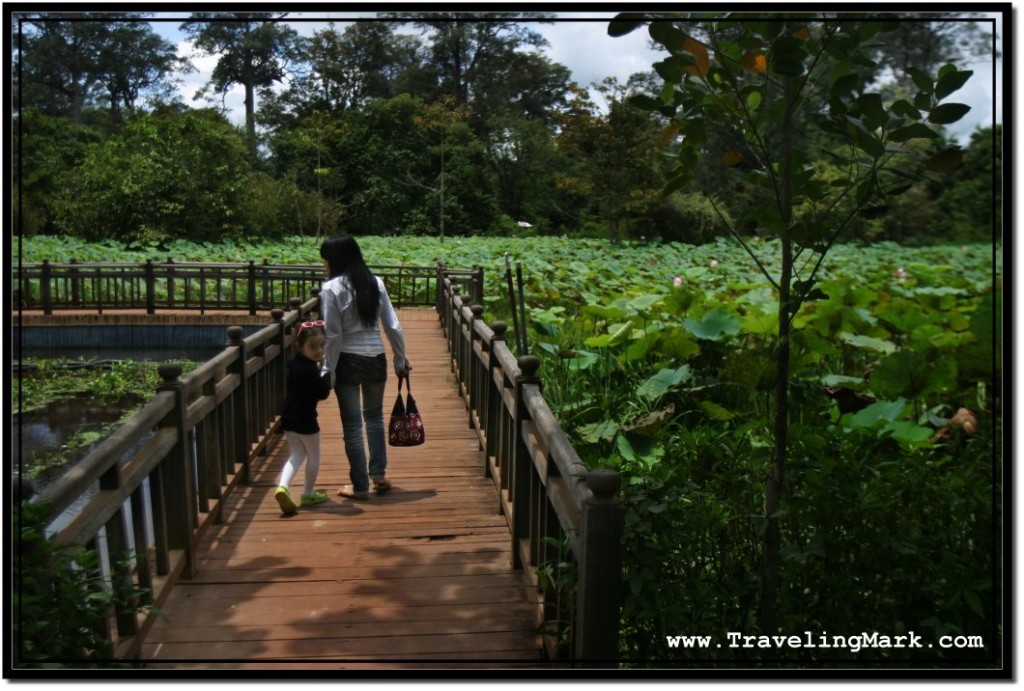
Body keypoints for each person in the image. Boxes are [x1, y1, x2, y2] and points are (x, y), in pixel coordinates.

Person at [319, 235, 411, 500]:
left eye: (326, 259)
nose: (324, 264)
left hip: (347, 359)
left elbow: (333, 336)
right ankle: (379, 475)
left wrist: (329, 369)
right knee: (373, 417)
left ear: (335, 260)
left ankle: (359, 486)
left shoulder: (331, 288)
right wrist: (400, 359)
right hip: (376, 358)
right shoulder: (375, 282)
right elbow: (393, 325)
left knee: (352, 424)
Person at [274, 320, 332, 515]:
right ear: (300, 347)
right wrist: (326, 373)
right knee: (313, 456)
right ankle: (308, 494)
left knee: (296, 455)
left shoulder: (294, 363)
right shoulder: (310, 370)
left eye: (322, 345)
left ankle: (283, 487)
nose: (319, 350)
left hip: (289, 418)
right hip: (306, 421)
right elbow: (323, 393)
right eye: (313, 346)